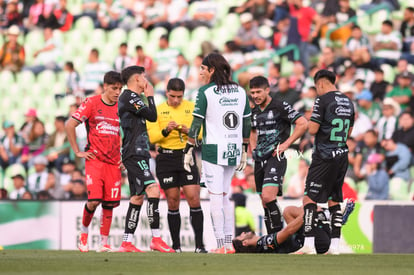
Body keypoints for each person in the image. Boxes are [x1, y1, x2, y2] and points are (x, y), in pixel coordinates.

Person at [183, 52, 252, 254]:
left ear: (212, 70)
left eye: (203, 68)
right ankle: (229, 244)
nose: (201, 72)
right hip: (234, 148)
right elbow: (247, 122)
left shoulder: (205, 92)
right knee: (225, 196)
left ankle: (221, 244)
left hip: (213, 150)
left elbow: (196, 124)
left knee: (215, 197)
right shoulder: (240, 91)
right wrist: (245, 150)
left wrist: (188, 149)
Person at [296, 69, 355, 255]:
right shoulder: (348, 101)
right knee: (334, 199)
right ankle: (335, 247)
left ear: (320, 83)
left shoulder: (322, 100)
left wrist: (308, 120)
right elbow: (349, 132)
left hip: (324, 155)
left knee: (309, 198)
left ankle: (308, 244)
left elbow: (312, 129)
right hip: (342, 154)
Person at [117, 66, 174, 253]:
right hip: (134, 153)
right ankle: (156, 239)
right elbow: (152, 116)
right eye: (143, 76)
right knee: (153, 189)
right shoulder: (129, 96)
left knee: (137, 197)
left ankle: (127, 242)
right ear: (136, 79)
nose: (146, 80)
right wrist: (150, 96)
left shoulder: (133, 98)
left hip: (138, 152)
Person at [65, 71, 123, 253]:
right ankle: (83, 235)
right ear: (105, 86)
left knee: (109, 203)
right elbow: (70, 124)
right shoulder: (91, 103)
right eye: (114, 88)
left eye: (120, 89)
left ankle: (103, 242)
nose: (117, 92)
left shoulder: (121, 107)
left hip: (114, 162)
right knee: (94, 201)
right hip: (95, 159)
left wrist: (124, 156)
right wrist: (77, 151)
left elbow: (126, 134)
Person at [147, 78, 206, 253]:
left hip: (186, 155)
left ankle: (199, 246)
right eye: (172, 96)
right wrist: (167, 130)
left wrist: (188, 131)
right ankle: (176, 246)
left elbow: (201, 133)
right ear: (166, 93)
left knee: (194, 198)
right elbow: (153, 137)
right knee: (173, 201)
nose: (176, 100)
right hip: (166, 158)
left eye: (179, 97)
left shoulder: (191, 107)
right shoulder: (157, 110)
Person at [249, 76, 308, 234]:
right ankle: (272, 239)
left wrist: (286, 144)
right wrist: (254, 150)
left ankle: (280, 238)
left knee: (268, 197)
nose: (255, 96)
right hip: (259, 159)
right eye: (252, 92)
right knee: (264, 202)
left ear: (267, 90)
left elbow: (303, 123)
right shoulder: (254, 110)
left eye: (258, 92)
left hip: (276, 157)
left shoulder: (279, 106)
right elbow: (253, 132)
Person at [232, 200, 356, 254]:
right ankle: (330, 216)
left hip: (315, 240)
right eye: (241, 236)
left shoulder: (261, 245)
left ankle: (328, 218)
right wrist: (308, 213)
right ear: (245, 243)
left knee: (290, 211)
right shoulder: (262, 244)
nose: (243, 232)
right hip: (314, 244)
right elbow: (288, 231)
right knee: (295, 211)